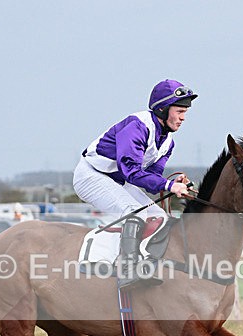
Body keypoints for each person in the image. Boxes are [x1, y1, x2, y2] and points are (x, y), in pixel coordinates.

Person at [73, 79, 197, 290]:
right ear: (162, 109)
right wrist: (168, 186)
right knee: (134, 212)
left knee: (161, 217)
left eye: (185, 112)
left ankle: (147, 265)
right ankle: (128, 270)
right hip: (91, 175)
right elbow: (131, 171)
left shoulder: (168, 141)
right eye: (179, 111)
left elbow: (150, 178)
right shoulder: (136, 127)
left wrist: (171, 184)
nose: (183, 117)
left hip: (117, 179)